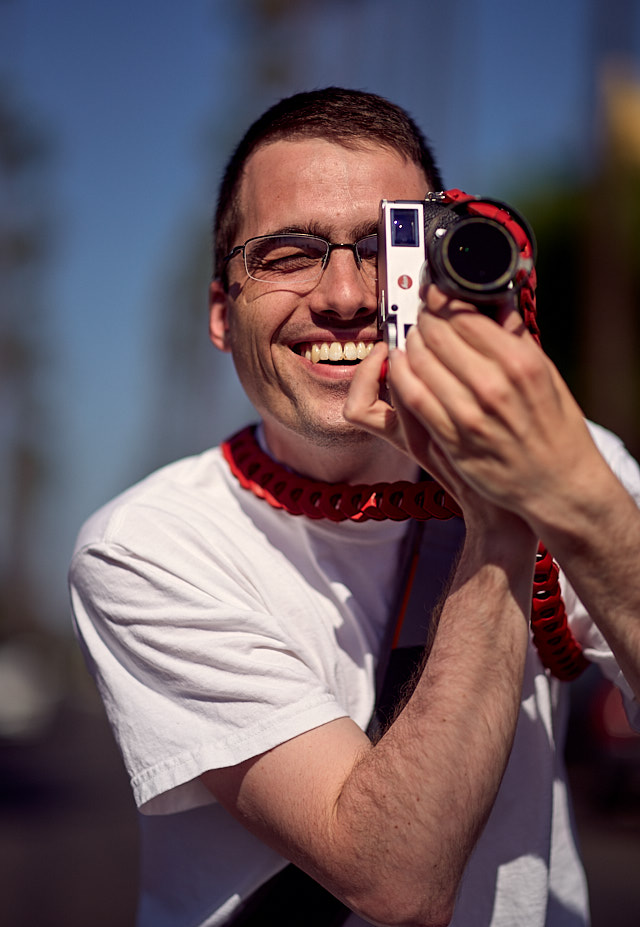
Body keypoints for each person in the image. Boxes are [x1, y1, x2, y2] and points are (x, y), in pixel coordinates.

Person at [69, 87, 640, 927]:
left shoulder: (566, 464)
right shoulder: (150, 543)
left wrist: (577, 499)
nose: (343, 294)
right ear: (224, 313)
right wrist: (497, 517)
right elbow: (394, 879)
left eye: (384, 248)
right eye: (289, 253)